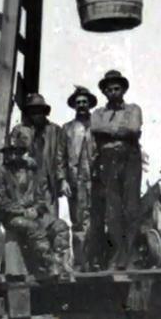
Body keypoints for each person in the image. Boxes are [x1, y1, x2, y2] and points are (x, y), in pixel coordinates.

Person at [0, 132, 72, 278]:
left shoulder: (32, 173)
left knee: (60, 226)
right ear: (5, 154)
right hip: (13, 217)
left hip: (34, 214)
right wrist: (23, 212)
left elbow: (41, 197)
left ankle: (61, 263)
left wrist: (36, 209)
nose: (14, 156)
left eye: (18, 152)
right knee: (33, 228)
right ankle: (49, 265)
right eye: (10, 153)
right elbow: (1, 202)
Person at [88, 69, 143, 270]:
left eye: (117, 88)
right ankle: (117, 255)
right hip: (108, 160)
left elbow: (134, 128)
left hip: (130, 159)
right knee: (112, 209)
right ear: (104, 92)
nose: (113, 92)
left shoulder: (134, 109)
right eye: (109, 89)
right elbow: (95, 128)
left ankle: (131, 255)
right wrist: (120, 131)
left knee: (131, 206)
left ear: (123, 90)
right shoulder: (99, 113)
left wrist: (109, 132)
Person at [9, 93, 68, 216]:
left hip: (48, 181)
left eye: (39, 111)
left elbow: (62, 156)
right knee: (28, 218)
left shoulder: (55, 130)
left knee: (50, 218)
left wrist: (62, 179)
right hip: (27, 182)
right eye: (33, 111)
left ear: (45, 112)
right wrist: (23, 159)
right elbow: (10, 154)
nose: (37, 115)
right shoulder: (19, 130)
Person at [61, 85, 98, 268]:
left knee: (97, 219)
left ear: (89, 104)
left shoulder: (98, 126)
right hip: (76, 181)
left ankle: (96, 260)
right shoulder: (67, 129)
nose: (82, 105)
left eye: (84, 102)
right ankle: (80, 262)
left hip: (96, 180)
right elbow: (60, 156)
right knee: (78, 221)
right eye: (78, 103)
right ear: (74, 106)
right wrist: (63, 180)